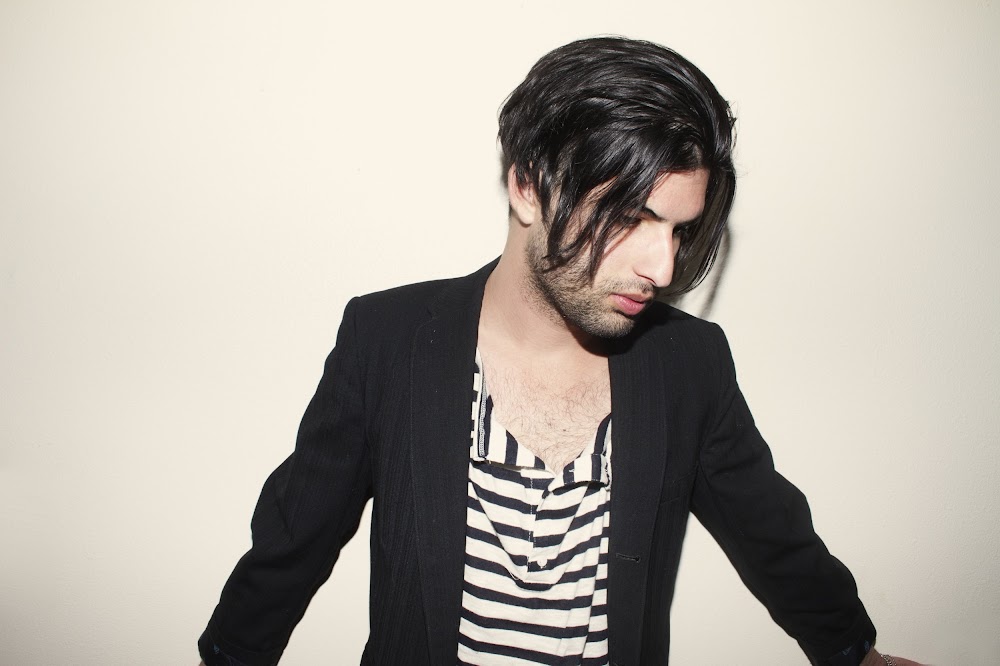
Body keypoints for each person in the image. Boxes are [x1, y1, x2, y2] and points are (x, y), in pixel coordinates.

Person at [198, 37, 921, 666]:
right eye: (632, 218)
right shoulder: (389, 339)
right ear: (527, 186)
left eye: (678, 231)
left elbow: (774, 538)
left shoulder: (687, 365)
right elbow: (292, 544)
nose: (663, 267)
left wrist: (856, 655)